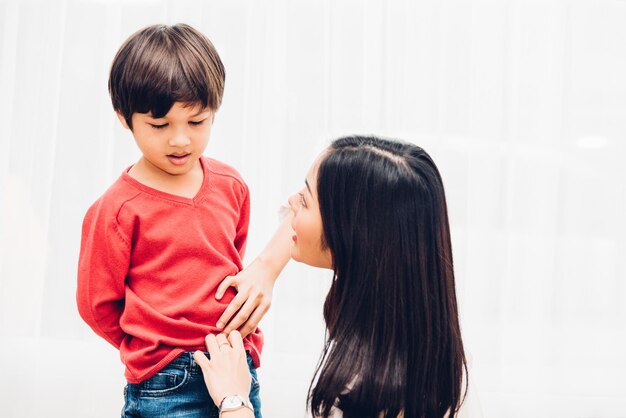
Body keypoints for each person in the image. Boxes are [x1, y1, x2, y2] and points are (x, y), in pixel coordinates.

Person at [76, 23, 291, 418]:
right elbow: (97, 306)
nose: (180, 140)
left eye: (197, 122)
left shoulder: (231, 185)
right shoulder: (118, 209)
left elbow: (230, 264)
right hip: (165, 381)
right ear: (125, 118)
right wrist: (155, 346)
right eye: (160, 126)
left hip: (236, 367)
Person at [194, 136, 475, 418]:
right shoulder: (424, 350)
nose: (291, 203)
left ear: (348, 231)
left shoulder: (375, 390)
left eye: (304, 199)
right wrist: (266, 267)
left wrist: (234, 400)